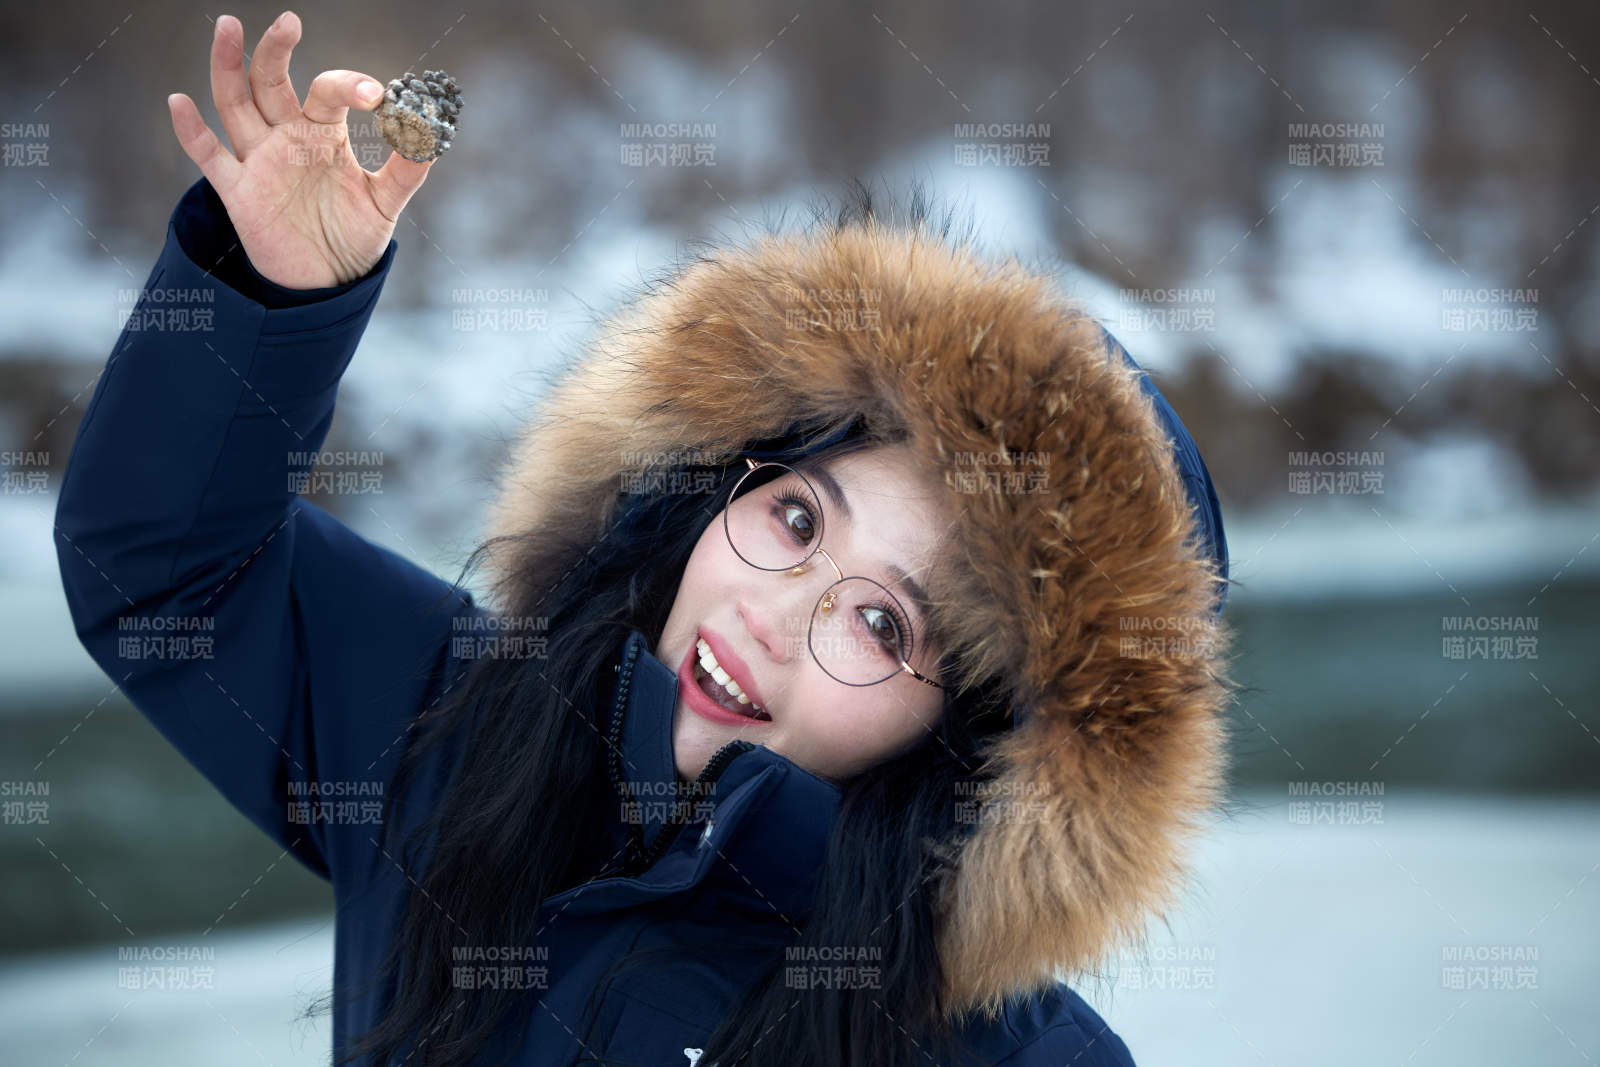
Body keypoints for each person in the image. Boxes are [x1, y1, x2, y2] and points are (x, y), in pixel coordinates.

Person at [54, 10, 1234, 1067]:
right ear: (711, 490)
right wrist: (267, 300)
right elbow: (165, 567)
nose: (773, 615)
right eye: (795, 517)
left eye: (882, 622)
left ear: (974, 742)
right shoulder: (448, 726)